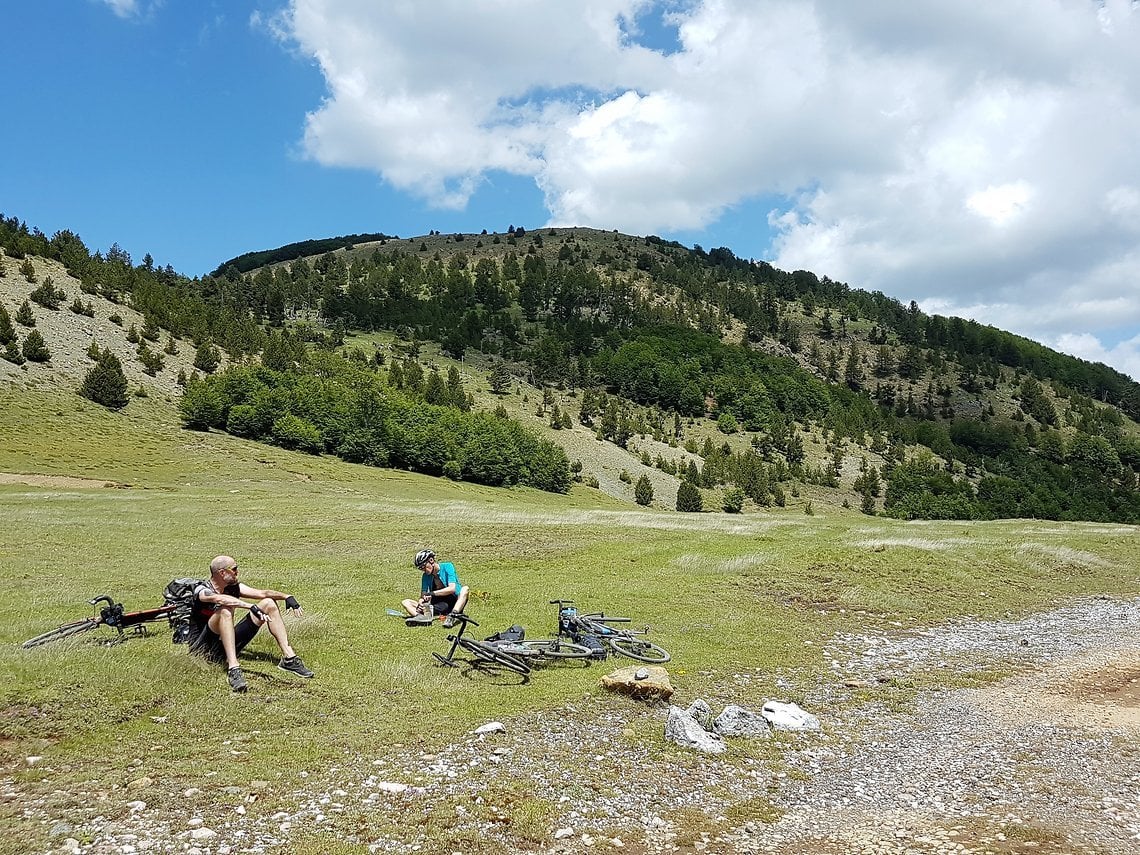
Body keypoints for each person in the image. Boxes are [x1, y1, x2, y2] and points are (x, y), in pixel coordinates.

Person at [189, 555, 314, 692]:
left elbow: (263, 593)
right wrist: (250, 606)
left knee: (268, 603)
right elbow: (221, 599)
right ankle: (234, 668)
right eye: (234, 569)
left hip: (224, 645)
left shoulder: (234, 588)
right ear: (222, 572)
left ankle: (289, 659)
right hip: (202, 650)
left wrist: (286, 596)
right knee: (225, 611)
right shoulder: (202, 590)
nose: (237, 572)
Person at [402, 549, 469, 628]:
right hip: (438, 605)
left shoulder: (448, 566)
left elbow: (452, 589)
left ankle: (453, 615)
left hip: (454, 602)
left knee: (465, 589)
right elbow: (422, 596)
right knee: (406, 602)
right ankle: (422, 618)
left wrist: (432, 593)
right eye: (420, 568)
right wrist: (421, 603)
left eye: (423, 566)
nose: (423, 570)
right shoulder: (425, 576)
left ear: (431, 560)